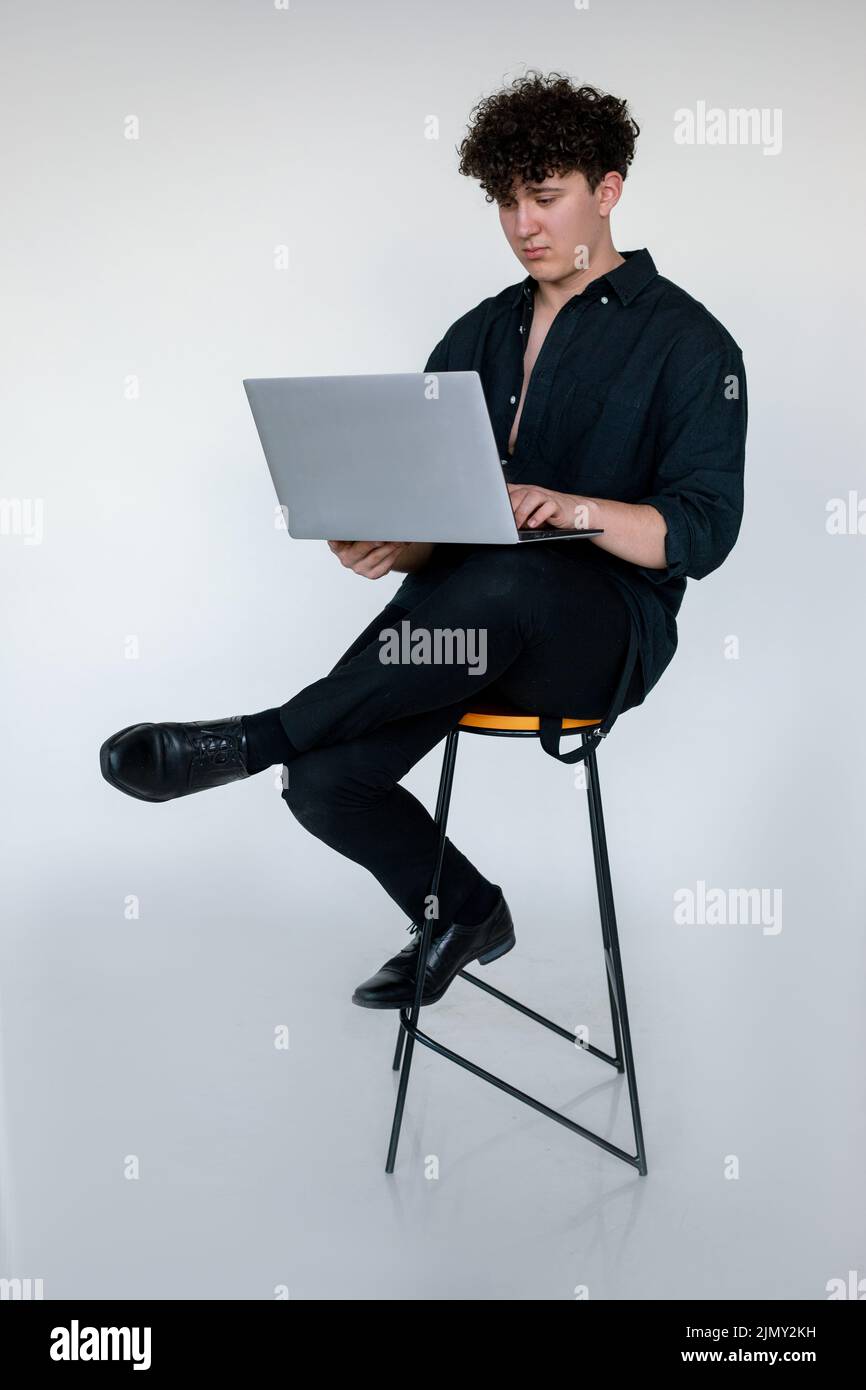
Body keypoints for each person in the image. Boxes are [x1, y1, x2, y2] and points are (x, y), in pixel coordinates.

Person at [100, 72, 748, 1011]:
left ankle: (248, 739)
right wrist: (392, 548)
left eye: (547, 195)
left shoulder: (692, 345)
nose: (525, 223)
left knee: (512, 589)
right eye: (507, 201)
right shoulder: (476, 333)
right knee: (323, 780)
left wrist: (568, 509)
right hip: (465, 632)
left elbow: (702, 531)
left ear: (607, 191)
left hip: (599, 633)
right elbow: (440, 522)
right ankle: (464, 912)